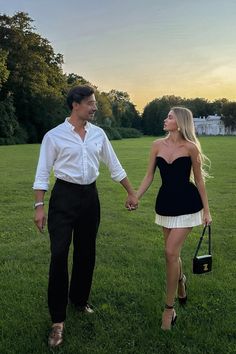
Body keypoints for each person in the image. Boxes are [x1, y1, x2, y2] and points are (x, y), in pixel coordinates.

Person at [33, 85, 138, 347]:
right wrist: (39, 206)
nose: (94, 107)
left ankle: (79, 300)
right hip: (64, 197)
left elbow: (114, 165)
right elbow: (42, 171)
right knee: (58, 254)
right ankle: (58, 321)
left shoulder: (98, 135)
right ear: (75, 105)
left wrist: (131, 192)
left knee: (85, 252)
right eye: (90, 103)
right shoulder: (54, 136)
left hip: (90, 197)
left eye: (94, 103)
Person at [135, 107, 212, 330]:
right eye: (166, 115)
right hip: (165, 205)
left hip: (188, 206)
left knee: (170, 252)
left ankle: (169, 309)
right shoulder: (156, 145)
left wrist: (207, 211)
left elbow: (199, 181)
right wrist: (136, 197)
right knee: (173, 254)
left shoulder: (191, 147)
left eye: (169, 117)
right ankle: (181, 281)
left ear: (180, 122)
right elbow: (149, 175)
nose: (165, 119)